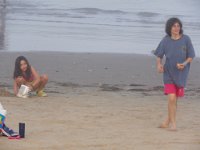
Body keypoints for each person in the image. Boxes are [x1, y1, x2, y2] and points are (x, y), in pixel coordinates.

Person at [154, 18, 195, 131]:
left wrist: (184, 64)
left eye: (178, 26)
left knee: (175, 100)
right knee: (171, 98)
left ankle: (167, 121)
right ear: (169, 28)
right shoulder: (165, 40)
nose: (176, 28)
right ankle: (173, 124)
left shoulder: (186, 39)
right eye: (174, 26)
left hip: (181, 73)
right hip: (168, 73)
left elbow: (191, 56)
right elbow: (159, 55)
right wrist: (159, 65)